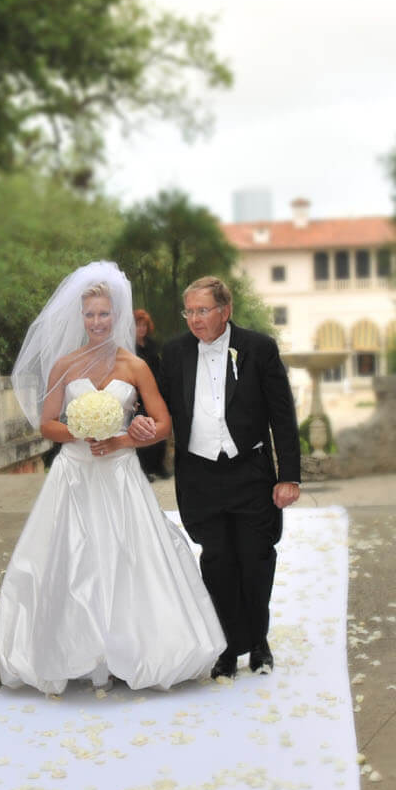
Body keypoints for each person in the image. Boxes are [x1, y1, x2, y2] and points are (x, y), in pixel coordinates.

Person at [0, 262, 225, 694]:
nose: (96, 322)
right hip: (74, 475)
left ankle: (128, 652)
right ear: (80, 318)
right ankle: (71, 651)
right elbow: (46, 424)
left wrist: (128, 437)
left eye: (104, 314)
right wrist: (80, 431)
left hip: (120, 474)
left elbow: (163, 423)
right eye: (89, 315)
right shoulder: (65, 365)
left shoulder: (135, 366)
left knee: (127, 560)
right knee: (67, 561)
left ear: (118, 316)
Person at [154, 276, 302, 681]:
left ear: (226, 311)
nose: (195, 320)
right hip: (200, 475)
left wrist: (288, 476)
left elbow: (282, 415)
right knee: (217, 562)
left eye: (203, 310)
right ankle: (225, 646)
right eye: (190, 312)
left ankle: (258, 641)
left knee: (256, 558)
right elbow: (161, 410)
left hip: (251, 472)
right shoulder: (174, 352)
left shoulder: (258, 348)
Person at [132, 309, 170, 480]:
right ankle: (144, 469)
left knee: (159, 427)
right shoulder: (128, 347)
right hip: (137, 395)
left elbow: (160, 367)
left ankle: (159, 465)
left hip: (155, 391)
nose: (141, 329)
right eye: (138, 325)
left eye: (144, 325)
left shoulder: (153, 345)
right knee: (142, 428)